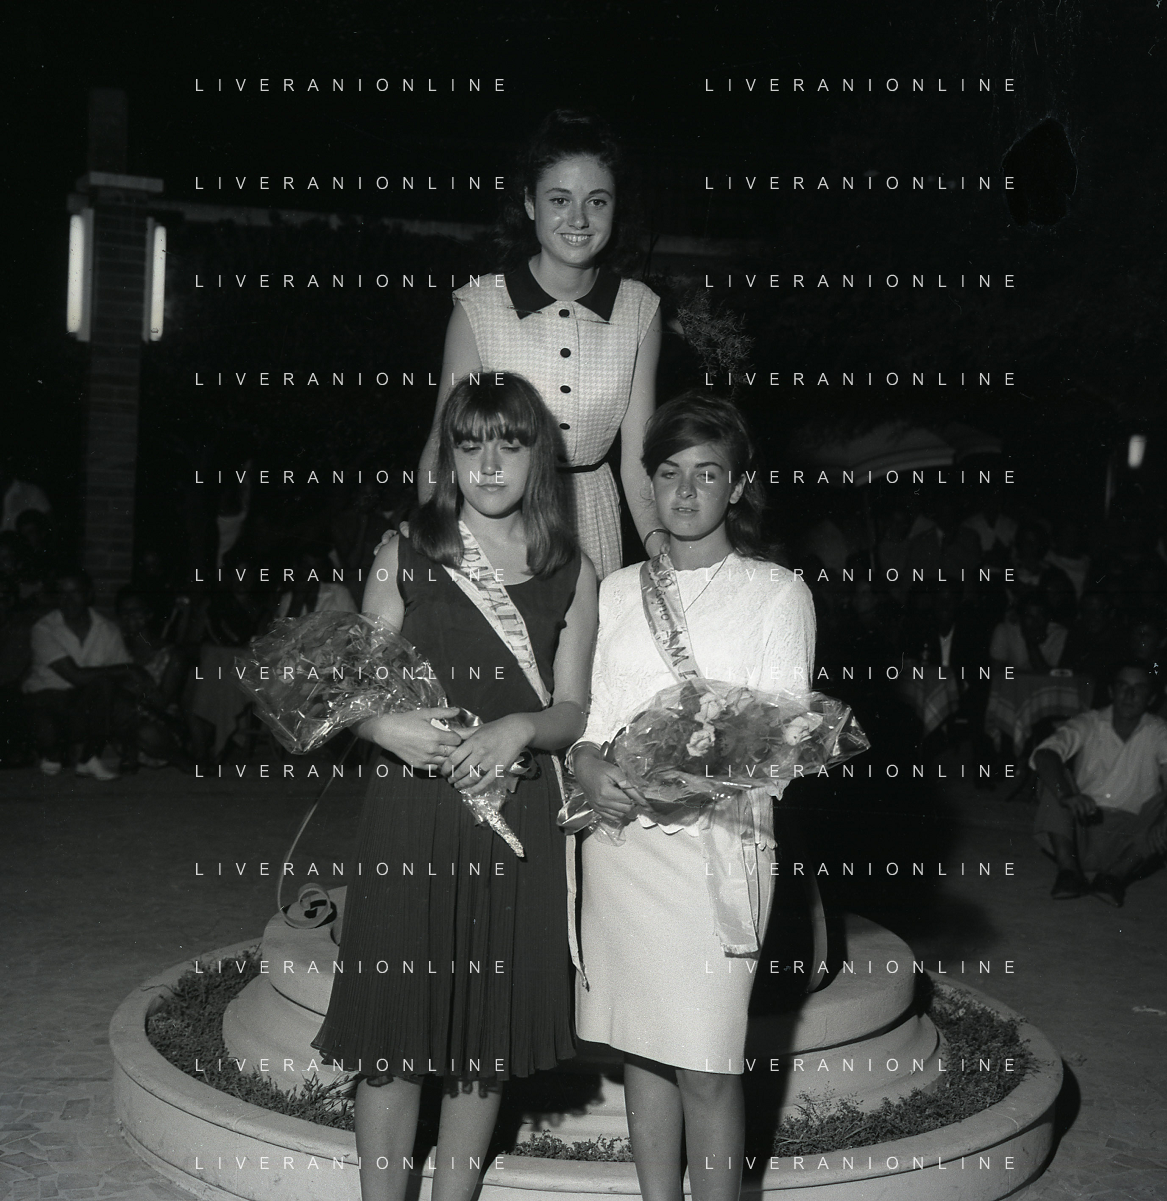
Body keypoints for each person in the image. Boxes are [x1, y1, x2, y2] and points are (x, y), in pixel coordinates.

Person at [312, 373, 597, 1201]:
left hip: (516, 811)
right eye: (470, 445)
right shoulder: (406, 549)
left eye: (509, 444)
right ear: (448, 456)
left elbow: (573, 708)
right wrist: (382, 729)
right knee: (394, 1035)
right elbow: (350, 687)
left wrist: (521, 727)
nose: (489, 464)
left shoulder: (569, 566)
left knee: (483, 1038)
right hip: (413, 811)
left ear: (537, 456)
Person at [570, 395, 816, 1201]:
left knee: (708, 1064)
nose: (684, 491)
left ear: (737, 486)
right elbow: (593, 718)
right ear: (648, 482)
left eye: (707, 474)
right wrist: (585, 763)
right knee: (643, 1052)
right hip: (622, 847)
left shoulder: (775, 592)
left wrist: (689, 769)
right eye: (669, 472)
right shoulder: (616, 591)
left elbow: (783, 738)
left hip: (717, 848)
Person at [417, 109, 663, 580]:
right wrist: (431, 535)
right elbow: (443, 443)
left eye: (597, 201)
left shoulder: (640, 309)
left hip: (593, 524)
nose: (578, 219)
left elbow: (638, 460)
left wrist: (664, 551)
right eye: (559, 199)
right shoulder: (478, 306)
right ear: (530, 203)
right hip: (495, 523)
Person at [1032, 663, 1167, 906]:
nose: (1129, 695)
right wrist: (1066, 795)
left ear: (1151, 698)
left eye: (1138, 688)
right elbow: (1045, 754)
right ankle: (1068, 872)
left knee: (1162, 805)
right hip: (1082, 832)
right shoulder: (1089, 722)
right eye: (1122, 686)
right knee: (1054, 779)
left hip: (1133, 843)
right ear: (1111, 692)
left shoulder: (1159, 731)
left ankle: (1113, 878)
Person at [22, 571, 140, 779]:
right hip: (47, 703)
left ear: (89, 595)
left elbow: (123, 674)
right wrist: (126, 670)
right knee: (51, 757)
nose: (67, 600)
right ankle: (51, 751)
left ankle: (88, 759)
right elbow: (75, 675)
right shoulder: (44, 628)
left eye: (75, 592)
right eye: (62, 593)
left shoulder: (107, 630)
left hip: (83, 704)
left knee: (107, 687)